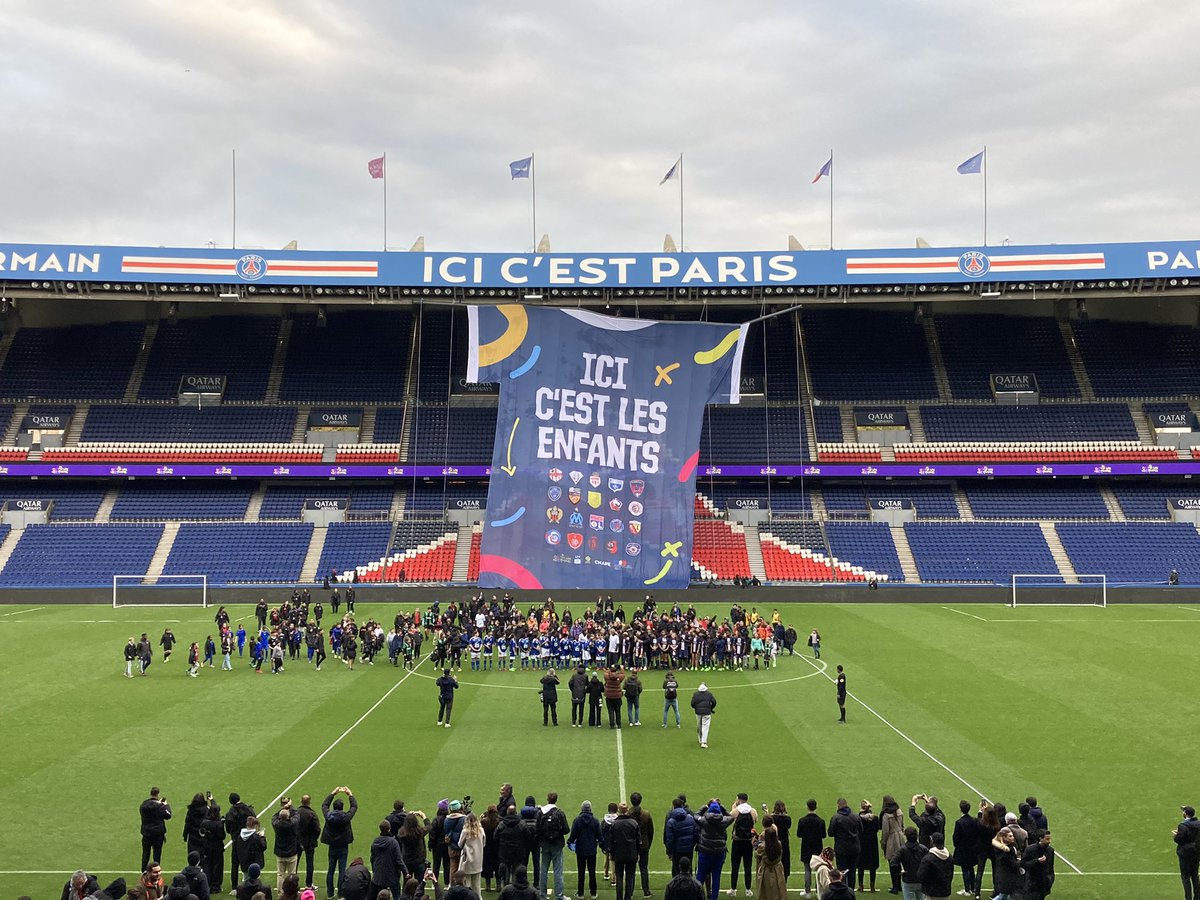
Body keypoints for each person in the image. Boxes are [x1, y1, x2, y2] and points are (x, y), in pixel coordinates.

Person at [322, 786, 358, 899]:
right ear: (342, 807)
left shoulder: (329, 816)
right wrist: (350, 794)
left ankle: (330, 893)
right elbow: (354, 806)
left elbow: (324, 805)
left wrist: (332, 794)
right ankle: (340, 893)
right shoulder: (346, 817)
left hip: (332, 846)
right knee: (342, 870)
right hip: (343, 846)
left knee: (331, 870)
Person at [695, 801, 734, 900]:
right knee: (716, 877)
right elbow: (731, 817)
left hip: (705, 852)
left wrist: (706, 806)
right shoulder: (723, 821)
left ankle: (697, 896)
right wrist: (722, 807)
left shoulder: (704, 820)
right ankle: (714, 898)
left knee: (700, 876)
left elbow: (696, 815)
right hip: (719, 852)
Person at [536, 793, 570, 900]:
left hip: (545, 845)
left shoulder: (541, 812)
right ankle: (559, 895)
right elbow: (566, 830)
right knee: (558, 871)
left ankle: (542, 895)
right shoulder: (559, 813)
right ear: (556, 800)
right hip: (557, 845)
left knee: (543, 870)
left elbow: (537, 829)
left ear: (547, 799)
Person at [569, 800, 602, 900]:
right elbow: (600, 836)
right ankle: (593, 893)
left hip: (580, 849)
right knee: (592, 872)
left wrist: (569, 842)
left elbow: (573, 835)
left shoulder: (577, 820)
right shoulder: (595, 821)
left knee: (581, 872)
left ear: (582, 809)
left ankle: (580, 893)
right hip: (591, 850)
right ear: (590, 809)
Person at [609, 802, 640, 900]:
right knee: (630, 877)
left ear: (618, 810)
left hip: (619, 853)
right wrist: (637, 853)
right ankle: (628, 897)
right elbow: (638, 840)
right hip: (631, 853)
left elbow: (611, 841)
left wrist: (611, 854)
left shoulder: (614, 824)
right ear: (627, 810)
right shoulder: (634, 823)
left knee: (619, 877)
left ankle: (619, 898)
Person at [826, 800, 860, 891]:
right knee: (852, 870)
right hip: (854, 848)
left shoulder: (836, 818)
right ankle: (851, 891)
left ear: (838, 806)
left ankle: (843, 890)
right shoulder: (856, 817)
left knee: (842, 871)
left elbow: (830, 833)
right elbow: (861, 830)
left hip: (841, 849)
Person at [796, 799, 827, 897]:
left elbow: (799, 834)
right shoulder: (821, 821)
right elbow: (823, 835)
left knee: (807, 870)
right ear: (816, 807)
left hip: (806, 848)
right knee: (818, 870)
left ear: (807, 807)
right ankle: (818, 892)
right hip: (817, 848)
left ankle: (808, 891)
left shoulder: (802, 821)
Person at [728, 795, 757, 897]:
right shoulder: (752, 811)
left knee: (735, 866)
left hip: (737, 842)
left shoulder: (736, 811)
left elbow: (729, 818)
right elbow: (755, 821)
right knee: (748, 866)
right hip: (748, 842)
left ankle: (733, 889)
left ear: (739, 799)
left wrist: (733, 808)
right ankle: (748, 890)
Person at [373, 819, 409, 900]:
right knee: (397, 896)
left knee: (381, 896)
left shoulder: (375, 842)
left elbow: (372, 858)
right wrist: (405, 872)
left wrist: (375, 871)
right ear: (389, 829)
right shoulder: (393, 842)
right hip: (392, 875)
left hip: (380, 875)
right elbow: (398, 859)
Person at [140, 787, 173, 873]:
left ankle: (144, 872)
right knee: (157, 855)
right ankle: (156, 871)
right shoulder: (160, 807)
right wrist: (166, 805)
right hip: (157, 834)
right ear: (158, 794)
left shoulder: (143, 805)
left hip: (146, 833)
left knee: (145, 853)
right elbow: (168, 815)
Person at [665, 797, 699, 878]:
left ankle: (677, 885)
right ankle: (689, 884)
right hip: (688, 849)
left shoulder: (671, 822)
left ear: (673, 806)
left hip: (677, 850)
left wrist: (669, 851)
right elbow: (696, 833)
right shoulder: (690, 818)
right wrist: (692, 844)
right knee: (688, 869)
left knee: (676, 871)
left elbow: (669, 839)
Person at [629, 792, 654, 898]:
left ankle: (630, 892)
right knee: (644, 868)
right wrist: (648, 843)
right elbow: (651, 831)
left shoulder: (628, 815)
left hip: (632, 845)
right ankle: (646, 890)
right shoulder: (646, 814)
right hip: (644, 844)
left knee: (631, 869)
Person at [753, 820, 786, 900]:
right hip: (778, 870)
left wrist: (755, 844)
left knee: (766, 892)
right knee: (778, 890)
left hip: (766, 871)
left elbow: (756, 855)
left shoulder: (763, 847)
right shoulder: (779, 844)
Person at [915, 832, 952, 900]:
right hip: (945, 891)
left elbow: (920, 876)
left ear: (932, 841)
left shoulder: (928, 858)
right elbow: (951, 874)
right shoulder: (949, 857)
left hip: (932, 892)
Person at [295, 795, 321, 890]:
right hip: (309, 841)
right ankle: (309, 884)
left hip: (297, 841)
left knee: (295, 863)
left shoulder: (296, 813)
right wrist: (314, 838)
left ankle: (293, 883)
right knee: (310, 863)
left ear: (301, 801)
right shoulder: (312, 814)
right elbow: (317, 829)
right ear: (309, 802)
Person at [272, 803, 301, 891]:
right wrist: (290, 806)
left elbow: (274, 816)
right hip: (292, 852)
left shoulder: (276, 825)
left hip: (280, 853)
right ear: (288, 817)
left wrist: (283, 808)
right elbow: (297, 815)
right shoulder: (292, 824)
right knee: (292, 874)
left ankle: (280, 893)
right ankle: (291, 892)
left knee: (280, 874)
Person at [1020, 832, 1054, 900]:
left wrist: (1050, 879)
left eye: (1050, 839)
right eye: (1047, 839)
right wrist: (1037, 861)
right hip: (1032, 883)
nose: (1049, 841)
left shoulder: (1050, 851)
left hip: (1044, 884)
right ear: (1040, 838)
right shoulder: (1030, 849)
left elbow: (1051, 867)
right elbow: (1023, 864)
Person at [458, 813, 485, 897]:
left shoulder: (465, 831)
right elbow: (484, 843)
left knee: (466, 885)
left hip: (467, 860)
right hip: (478, 859)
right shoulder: (481, 830)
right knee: (477, 886)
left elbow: (460, 844)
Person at [989, 828, 1021, 900]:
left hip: (1005, 875)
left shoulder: (1008, 847)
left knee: (1005, 896)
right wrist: (1020, 863)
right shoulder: (1004, 851)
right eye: (1010, 836)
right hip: (1006, 876)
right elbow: (1012, 863)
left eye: (1012, 836)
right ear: (1004, 837)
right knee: (1002, 896)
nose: (1013, 837)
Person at [855, 801, 880, 894]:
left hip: (862, 844)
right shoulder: (875, 818)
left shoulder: (859, 819)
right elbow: (877, 828)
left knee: (860, 865)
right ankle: (872, 886)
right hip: (872, 844)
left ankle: (861, 886)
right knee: (872, 865)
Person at [895, 828, 926, 900]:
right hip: (920, 879)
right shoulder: (923, 848)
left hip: (908, 879)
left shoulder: (902, 849)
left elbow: (893, 863)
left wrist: (899, 872)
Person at [1176, 806, 1200, 900]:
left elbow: (1179, 839)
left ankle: (1188, 898)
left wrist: (1176, 835)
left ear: (1185, 814)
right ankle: (1197, 897)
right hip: (1196, 853)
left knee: (1185, 877)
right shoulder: (1199, 824)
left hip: (1185, 854)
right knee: (1195, 876)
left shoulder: (1183, 826)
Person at [691, 683, 716, 749]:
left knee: (699, 725)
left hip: (698, 712)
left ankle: (700, 738)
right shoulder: (709, 694)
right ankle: (703, 742)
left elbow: (692, 703)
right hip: (707, 712)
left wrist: (696, 708)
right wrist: (711, 708)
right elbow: (714, 702)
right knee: (705, 726)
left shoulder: (695, 694)